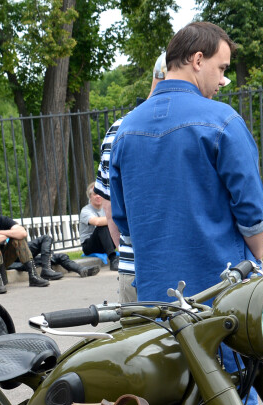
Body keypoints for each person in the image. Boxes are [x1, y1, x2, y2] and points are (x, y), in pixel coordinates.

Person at [109, 22, 263, 405]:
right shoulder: (222, 120)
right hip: (221, 297)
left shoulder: (126, 129)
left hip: (156, 305)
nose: (224, 79)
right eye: (221, 67)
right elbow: (253, 215)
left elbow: (123, 224)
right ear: (197, 60)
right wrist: (254, 262)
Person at [93, 52, 170, 302]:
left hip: (133, 267)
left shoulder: (118, 128)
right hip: (185, 271)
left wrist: (125, 249)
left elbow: (108, 204)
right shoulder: (197, 124)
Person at [79, 184, 117, 268]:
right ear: (90, 197)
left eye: (100, 193)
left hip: (106, 242)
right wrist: (113, 219)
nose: (98, 196)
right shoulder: (85, 210)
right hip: (90, 245)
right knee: (102, 226)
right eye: (95, 194)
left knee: (119, 226)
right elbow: (97, 222)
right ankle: (113, 259)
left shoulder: (107, 208)